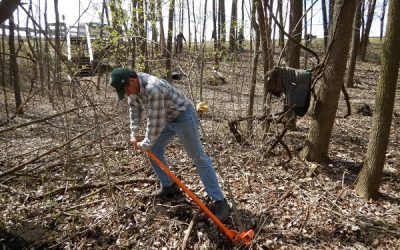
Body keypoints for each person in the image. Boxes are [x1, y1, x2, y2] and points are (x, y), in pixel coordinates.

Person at [109, 68, 230, 222]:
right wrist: (134, 133)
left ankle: (220, 201)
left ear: (132, 81)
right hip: (166, 118)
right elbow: (134, 110)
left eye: (125, 90)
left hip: (183, 116)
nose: (126, 94)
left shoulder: (154, 88)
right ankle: (169, 185)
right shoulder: (132, 88)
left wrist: (145, 143)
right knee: (153, 149)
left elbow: (154, 123)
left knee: (198, 157)